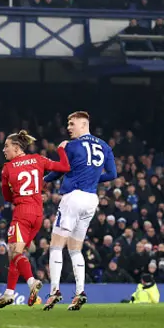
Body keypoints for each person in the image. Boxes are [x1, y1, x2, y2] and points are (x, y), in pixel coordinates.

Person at [44, 111, 117, 311]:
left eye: (72, 123)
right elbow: (112, 174)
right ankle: (80, 292)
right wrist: (93, 180)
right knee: (75, 248)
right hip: (91, 199)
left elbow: (60, 169)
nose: (68, 127)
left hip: (73, 197)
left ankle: (54, 291)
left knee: (56, 246)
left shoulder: (72, 145)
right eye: (68, 123)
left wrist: (42, 182)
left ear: (83, 125)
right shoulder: (105, 146)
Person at [0, 130, 70, 308]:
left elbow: (6, 196)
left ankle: (31, 282)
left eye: (7, 146)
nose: (4, 150)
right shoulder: (38, 159)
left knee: (14, 252)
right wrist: (61, 149)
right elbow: (65, 167)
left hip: (22, 213)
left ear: (17, 148)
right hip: (38, 214)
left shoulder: (8, 168)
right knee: (16, 255)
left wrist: (20, 199)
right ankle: (9, 293)